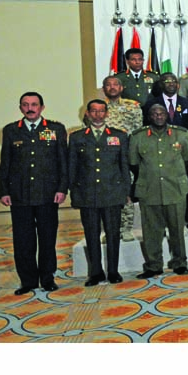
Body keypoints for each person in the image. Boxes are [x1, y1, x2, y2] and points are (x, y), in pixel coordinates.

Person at [0, 92, 68, 294]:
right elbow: (6, 163)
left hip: (47, 194)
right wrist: (4, 190)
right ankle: (28, 281)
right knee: (23, 240)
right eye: (25, 105)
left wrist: (62, 188)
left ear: (42, 107)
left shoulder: (55, 129)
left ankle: (47, 278)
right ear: (20, 108)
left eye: (34, 104)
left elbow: (62, 162)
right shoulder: (11, 131)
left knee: (47, 239)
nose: (30, 108)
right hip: (20, 195)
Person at [128, 104, 188, 278]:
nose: (158, 116)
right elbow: (134, 163)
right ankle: (153, 265)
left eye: (161, 113)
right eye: (154, 113)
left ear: (167, 115)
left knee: (177, 229)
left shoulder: (181, 134)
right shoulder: (138, 137)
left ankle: (180, 262)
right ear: (149, 116)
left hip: (175, 188)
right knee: (151, 230)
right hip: (149, 189)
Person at [68, 100, 129, 286]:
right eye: (94, 111)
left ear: (107, 114)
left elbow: (124, 166)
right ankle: (95, 272)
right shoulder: (77, 137)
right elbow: (72, 167)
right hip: (87, 194)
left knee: (112, 234)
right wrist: (74, 193)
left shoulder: (119, 136)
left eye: (101, 111)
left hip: (112, 192)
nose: (98, 115)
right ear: (87, 113)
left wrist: (125, 191)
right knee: (91, 234)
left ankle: (113, 271)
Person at [143, 73, 188, 236]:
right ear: (161, 84)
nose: (170, 84)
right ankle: (162, 226)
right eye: (166, 81)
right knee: (161, 191)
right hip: (160, 154)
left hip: (183, 156)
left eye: (173, 81)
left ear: (178, 84)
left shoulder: (187, 103)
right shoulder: (151, 104)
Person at [101, 75, 142, 242]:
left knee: (126, 193)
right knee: (106, 196)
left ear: (121, 87)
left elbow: (138, 132)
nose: (112, 87)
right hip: (103, 159)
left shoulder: (132, 107)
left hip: (124, 157)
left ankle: (126, 228)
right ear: (104, 89)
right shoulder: (97, 108)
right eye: (108, 85)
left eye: (115, 84)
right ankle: (110, 230)